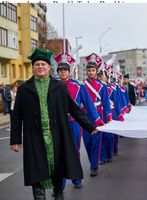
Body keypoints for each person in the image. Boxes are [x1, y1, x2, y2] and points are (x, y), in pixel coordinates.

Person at [10, 48, 98, 200]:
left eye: (43, 64)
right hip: (35, 138)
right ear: (33, 67)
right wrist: (15, 140)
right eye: (37, 64)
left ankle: (58, 195)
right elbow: (17, 116)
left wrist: (90, 126)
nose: (40, 67)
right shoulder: (24, 89)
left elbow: (74, 109)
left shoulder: (59, 87)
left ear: (49, 67)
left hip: (56, 136)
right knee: (37, 172)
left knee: (58, 171)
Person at [55, 52, 104, 188]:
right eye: (61, 70)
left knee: (74, 151)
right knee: (59, 153)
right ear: (58, 72)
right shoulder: (52, 86)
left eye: (65, 70)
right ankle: (60, 185)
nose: (63, 72)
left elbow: (88, 104)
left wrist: (97, 120)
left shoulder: (79, 86)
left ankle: (76, 179)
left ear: (69, 72)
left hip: (74, 124)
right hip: (58, 125)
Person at [83, 53, 112, 176]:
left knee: (95, 142)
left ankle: (94, 166)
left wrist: (108, 116)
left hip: (98, 116)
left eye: (93, 70)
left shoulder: (102, 86)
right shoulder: (82, 85)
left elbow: (106, 102)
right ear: (86, 71)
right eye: (89, 70)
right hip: (84, 117)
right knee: (87, 142)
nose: (91, 72)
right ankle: (92, 161)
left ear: (96, 71)